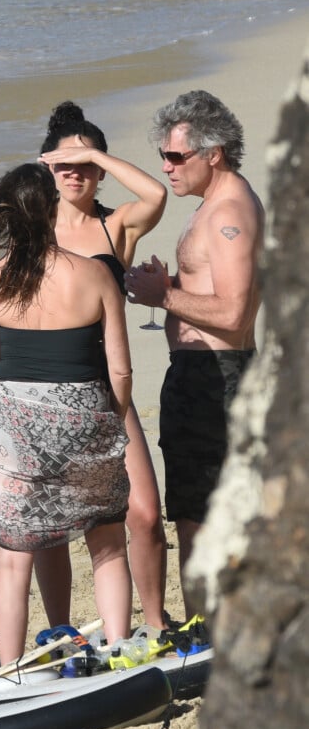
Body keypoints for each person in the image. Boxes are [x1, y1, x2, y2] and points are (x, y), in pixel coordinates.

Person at [0, 162, 133, 664]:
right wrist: (112, 424)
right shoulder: (95, 273)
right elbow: (120, 371)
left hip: (15, 425)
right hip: (86, 417)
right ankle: (121, 651)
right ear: (50, 210)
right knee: (106, 543)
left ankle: (11, 667)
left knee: (13, 560)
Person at [125, 90, 264, 619]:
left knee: (204, 514)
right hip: (202, 374)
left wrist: (164, 296)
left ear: (215, 152)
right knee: (194, 508)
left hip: (217, 376)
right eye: (163, 155)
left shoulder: (229, 212)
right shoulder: (216, 206)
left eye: (176, 157)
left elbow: (233, 313)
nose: (166, 167)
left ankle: (214, 631)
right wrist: (171, 284)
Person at [37, 101, 169, 631]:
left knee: (144, 514)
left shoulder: (117, 227)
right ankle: (60, 631)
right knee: (52, 526)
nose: (76, 173)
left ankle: (157, 624)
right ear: (46, 167)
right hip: (45, 390)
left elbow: (155, 194)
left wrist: (92, 152)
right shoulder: (33, 229)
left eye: (86, 163)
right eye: (63, 164)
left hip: (110, 389)